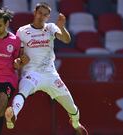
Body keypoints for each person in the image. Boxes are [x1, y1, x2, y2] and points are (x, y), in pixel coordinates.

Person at [5, 2, 88, 135]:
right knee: (23, 91)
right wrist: (20, 60)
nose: (41, 16)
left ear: (48, 17)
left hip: (51, 75)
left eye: (45, 15)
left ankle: (75, 123)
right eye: (39, 13)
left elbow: (66, 40)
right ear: (34, 12)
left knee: (71, 107)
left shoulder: (51, 27)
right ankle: (12, 115)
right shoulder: (22, 31)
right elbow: (19, 54)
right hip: (32, 73)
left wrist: (62, 27)